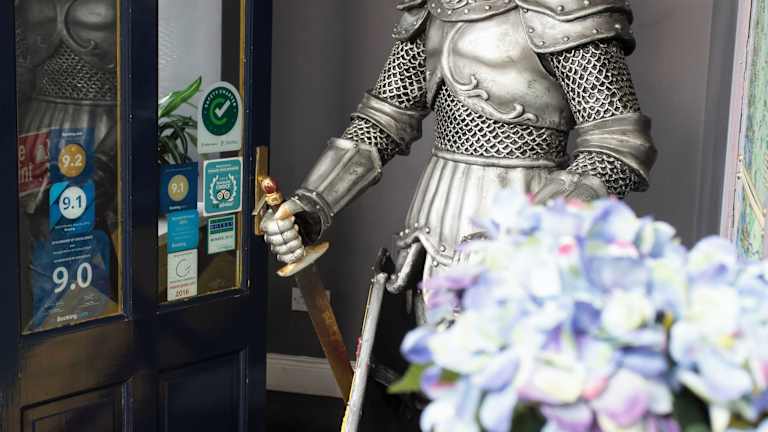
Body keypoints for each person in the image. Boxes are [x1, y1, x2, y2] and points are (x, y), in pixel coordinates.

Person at [263, 0, 656, 325]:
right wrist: (313, 202)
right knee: (427, 375)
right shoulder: (436, 7)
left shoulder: (566, 7)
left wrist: (522, 234)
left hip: (530, 220)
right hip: (431, 229)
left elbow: (617, 146)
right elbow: (384, 120)